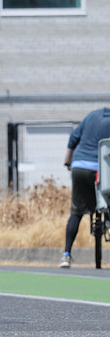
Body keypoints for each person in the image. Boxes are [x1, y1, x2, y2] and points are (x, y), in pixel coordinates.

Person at [60, 107, 110, 268]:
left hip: (79, 166)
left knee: (76, 212)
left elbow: (73, 137)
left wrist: (67, 161)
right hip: (102, 170)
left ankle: (66, 254)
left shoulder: (92, 116)